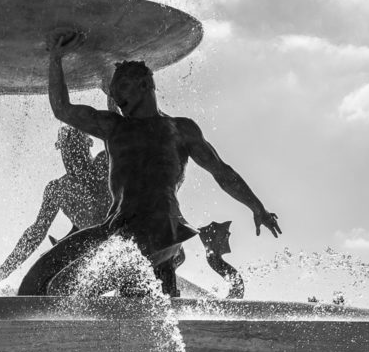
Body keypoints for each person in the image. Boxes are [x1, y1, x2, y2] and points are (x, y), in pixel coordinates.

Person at [18, 33, 281, 297]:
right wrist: (56, 58)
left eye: (121, 87)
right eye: (113, 90)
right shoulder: (113, 127)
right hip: (116, 227)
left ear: (144, 85)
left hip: (159, 230)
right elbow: (63, 110)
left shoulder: (181, 130)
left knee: (65, 289)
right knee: (35, 281)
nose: (116, 97)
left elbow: (222, 172)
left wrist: (257, 207)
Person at [0, 126, 111, 284]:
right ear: (61, 149)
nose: (72, 154)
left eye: (77, 146)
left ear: (88, 144)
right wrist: (4, 270)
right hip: (89, 257)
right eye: (68, 148)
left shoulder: (104, 165)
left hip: (123, 246)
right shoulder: (57, 189)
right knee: (39, 281)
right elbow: (36, 233)